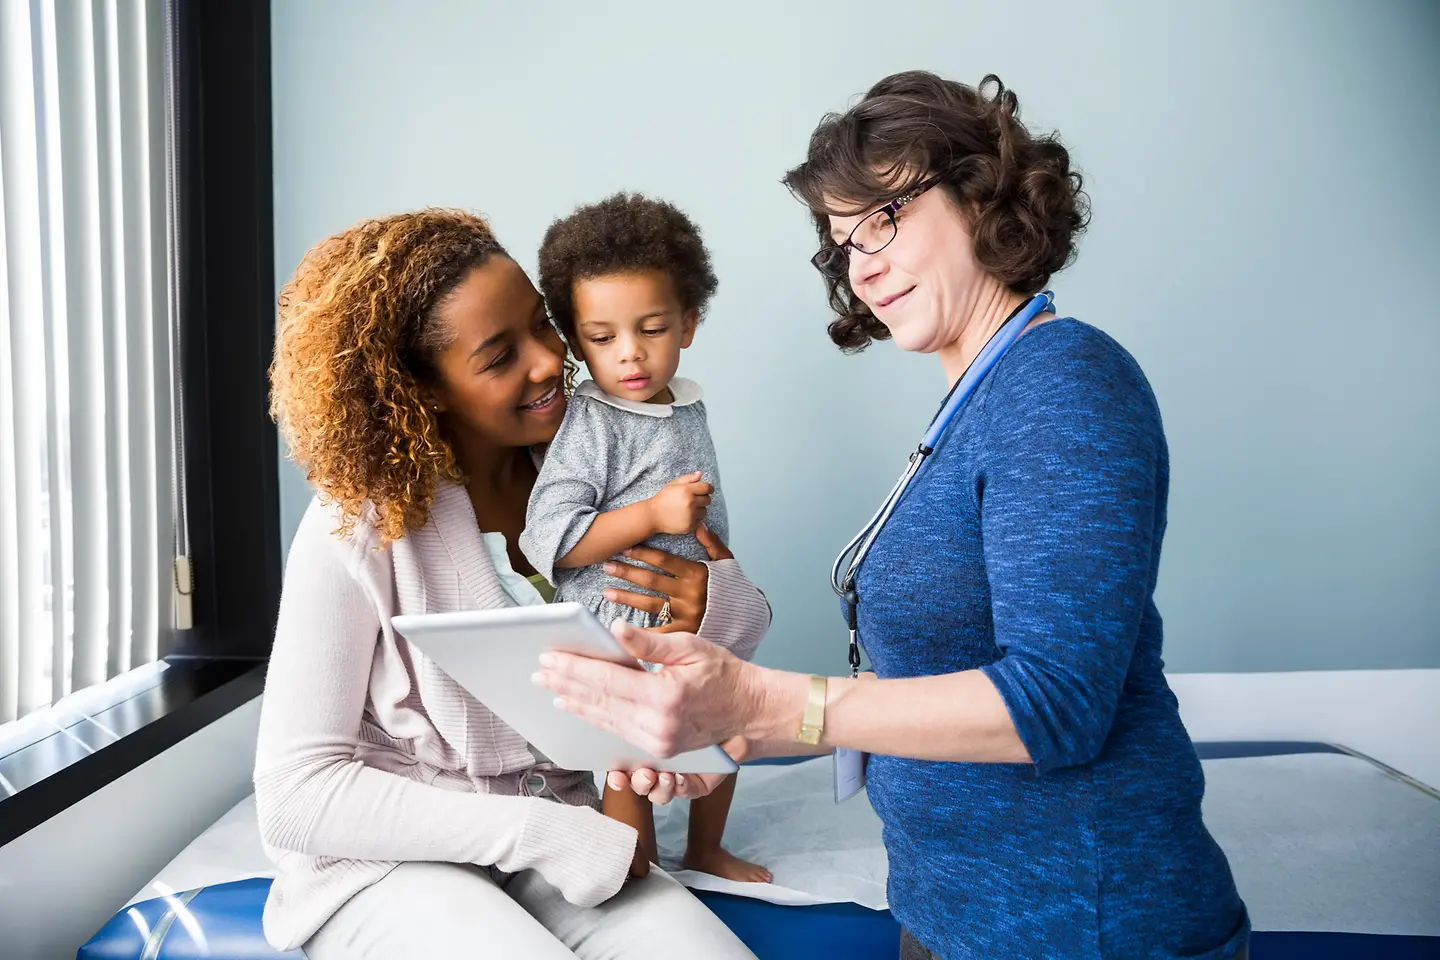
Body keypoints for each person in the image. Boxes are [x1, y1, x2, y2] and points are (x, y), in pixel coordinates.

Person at [536, 71, 1251, 960]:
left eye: (885, 217)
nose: (861, 263)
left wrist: (768, 696)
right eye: (842, 241)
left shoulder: (1062, 385)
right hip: (953, 915)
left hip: (1081, 925)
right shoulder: (976, 405)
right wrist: (730, 723)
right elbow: (941, 679)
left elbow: (1057, 704)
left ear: (982, 193)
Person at [255, 208, 766, 958]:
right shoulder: (357, 522)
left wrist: (713, 598)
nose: (546, 363)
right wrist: (546, 833)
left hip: (566, 844)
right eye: (499, 357)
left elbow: (710, 641)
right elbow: (297, 796)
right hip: (394, 863)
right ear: (423, 389)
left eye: (543, 326)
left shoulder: (594, 465)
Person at [523, 193, 771, 884]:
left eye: (653, 328)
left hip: (694, 615)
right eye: (601, 339)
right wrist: (653, 516)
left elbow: (706, 526)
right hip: (621, 626)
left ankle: (706, 849)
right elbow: (549, 537)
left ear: (688, 324)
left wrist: (727, 585)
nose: (629, 354)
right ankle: (637, 866)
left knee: (722, 725)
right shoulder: (592, 422)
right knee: (629, 757)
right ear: (576, 341)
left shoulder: (687, 403)